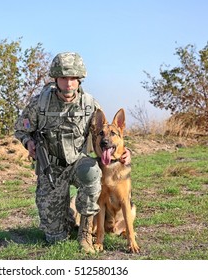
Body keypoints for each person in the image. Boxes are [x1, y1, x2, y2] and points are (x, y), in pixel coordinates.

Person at [14, 52, 131, 253]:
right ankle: (66, 219)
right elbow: (20, 129)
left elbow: (107, 135)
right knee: (55, 238)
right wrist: (28, 142)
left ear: (79, 79)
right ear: (56, 79)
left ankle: (85, 233)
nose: (68, 83)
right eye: (63, 78)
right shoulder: (40, 103)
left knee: (93, 172)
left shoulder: (89, 105)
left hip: (77, 162)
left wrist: (125, 152)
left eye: (73, 78)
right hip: (51, 167)